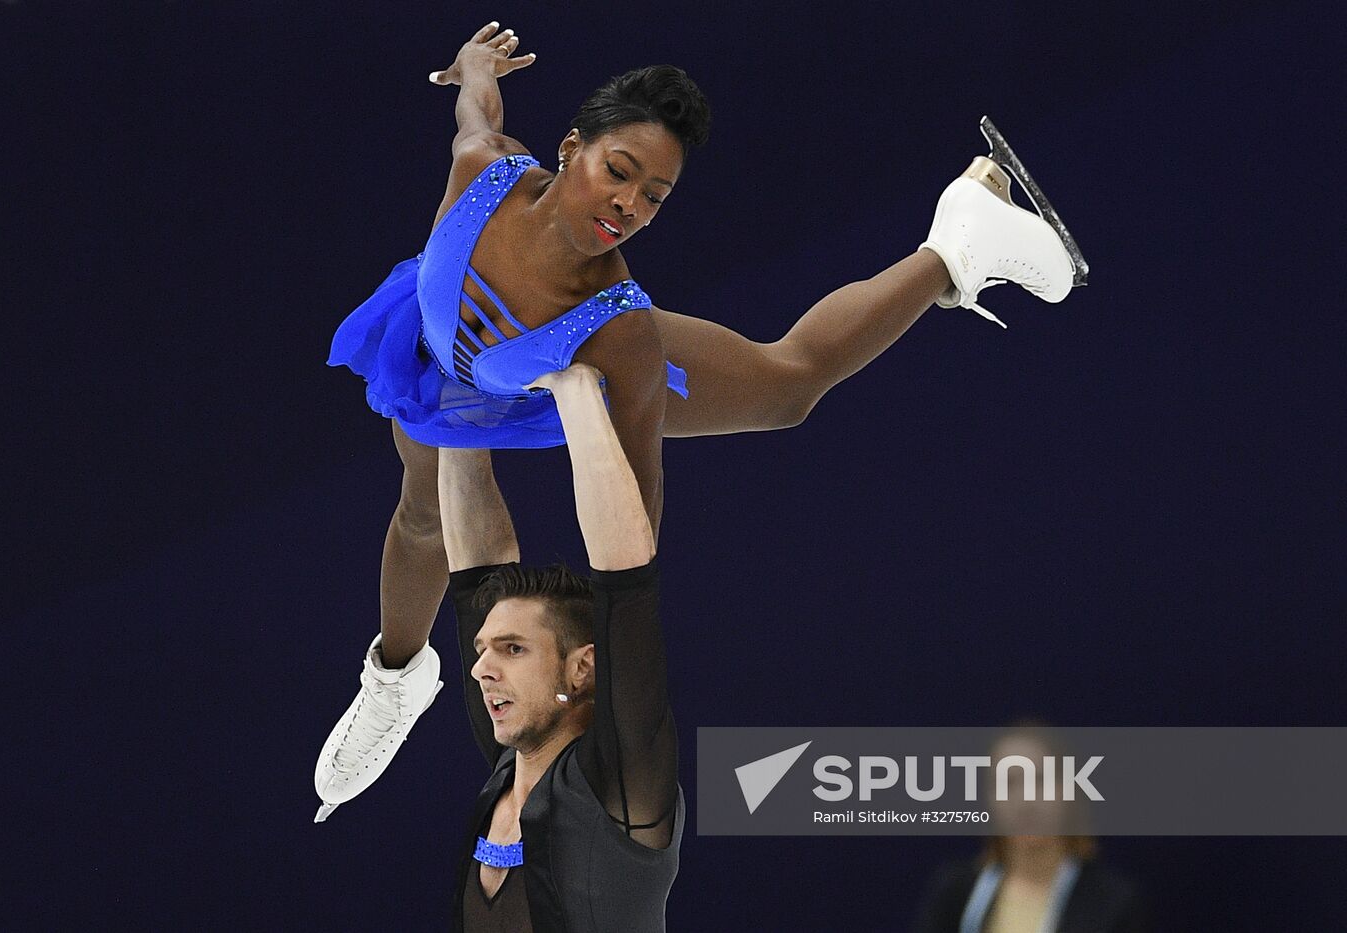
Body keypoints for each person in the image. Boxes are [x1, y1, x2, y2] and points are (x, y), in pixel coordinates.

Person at [316, 22, 1081, 814]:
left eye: (655, 197)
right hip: (431, 345)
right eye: (619, 172)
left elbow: (635, 510)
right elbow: (476, 111)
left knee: (786, 386)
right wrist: (476, 65)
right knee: (418, 515)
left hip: (552, 368)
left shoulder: (621, 335)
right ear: (570, 147)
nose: (629, 206)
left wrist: (612, 659)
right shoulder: (484, 169)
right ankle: (394, 685)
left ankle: (954, 248)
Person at [446, 361, 679, 931]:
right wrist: (454, 397)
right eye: (483, 649)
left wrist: (573, 387)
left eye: (513, 649)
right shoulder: (510, 763)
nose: (481, 670)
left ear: (582, 669)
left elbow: (626, 587)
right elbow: (474, 571)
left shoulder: (625, 784)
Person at [913, 724, 1146, 933]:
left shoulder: (1113, 904)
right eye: (1009, 782)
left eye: (1040, 780)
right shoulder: (955, 895)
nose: (1025, 801)